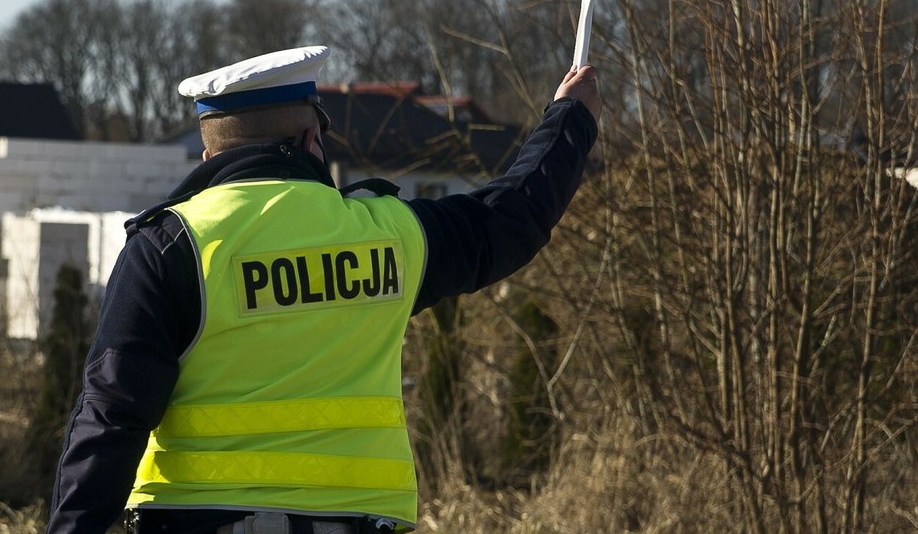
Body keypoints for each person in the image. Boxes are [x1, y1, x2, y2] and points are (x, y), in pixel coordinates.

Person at [47, 45, 601, 534]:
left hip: (195, 516)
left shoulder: (172, 245)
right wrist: (569, 119)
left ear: (209, 157)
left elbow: (112, 415)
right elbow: (510, 217)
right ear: (312, 138)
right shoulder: (390, 235)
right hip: (358, 517)